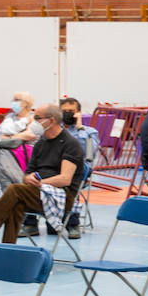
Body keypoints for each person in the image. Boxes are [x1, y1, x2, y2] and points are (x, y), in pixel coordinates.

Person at [0, 103, 83, 248]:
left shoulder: (70, 143)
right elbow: (27, 173)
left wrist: (42, 182)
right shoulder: (40, 143)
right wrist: (29, 178)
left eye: (37, 118)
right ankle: (8, 249)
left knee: (14, 190)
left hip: (62, 196)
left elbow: (65, 179)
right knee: (16, 204)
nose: (34, 121)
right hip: (38, 191)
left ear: (51, 120)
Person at [0, 91, 38, 202]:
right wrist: (16, 136)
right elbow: (1, 133)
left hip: (26, 148)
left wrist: (10, 136)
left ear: (26, 103)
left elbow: (29, 135)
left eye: (17, 100)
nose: (14, 103)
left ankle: (10, 188)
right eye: (14, 100)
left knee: (3, 156)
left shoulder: (33, 118)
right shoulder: (10, 117)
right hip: (7, 146)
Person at [59, 97, 99, 240]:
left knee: (71, 176)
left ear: (79, 112)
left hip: (79, 169)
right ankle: (31, 222)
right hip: (55, 168)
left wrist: (79, 128)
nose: (68, 114)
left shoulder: (90, 132)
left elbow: (87, 153)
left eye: (71, 111)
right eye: (64, 111)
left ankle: (73, 223)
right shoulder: (54, 130)